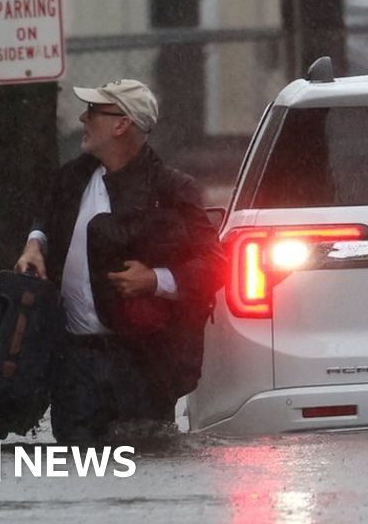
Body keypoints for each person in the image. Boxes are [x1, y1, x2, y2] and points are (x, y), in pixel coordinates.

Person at [14, 79, 225, 443]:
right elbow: (45, 222)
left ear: (121, 124)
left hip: (143, 364)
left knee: (144, 466)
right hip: (74, 364)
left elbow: (216, 263)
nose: (83, 118)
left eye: (93, 111)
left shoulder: (172, 190)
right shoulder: (72, 179)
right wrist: (34, 245)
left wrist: (156, 280)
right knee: (76, 474)